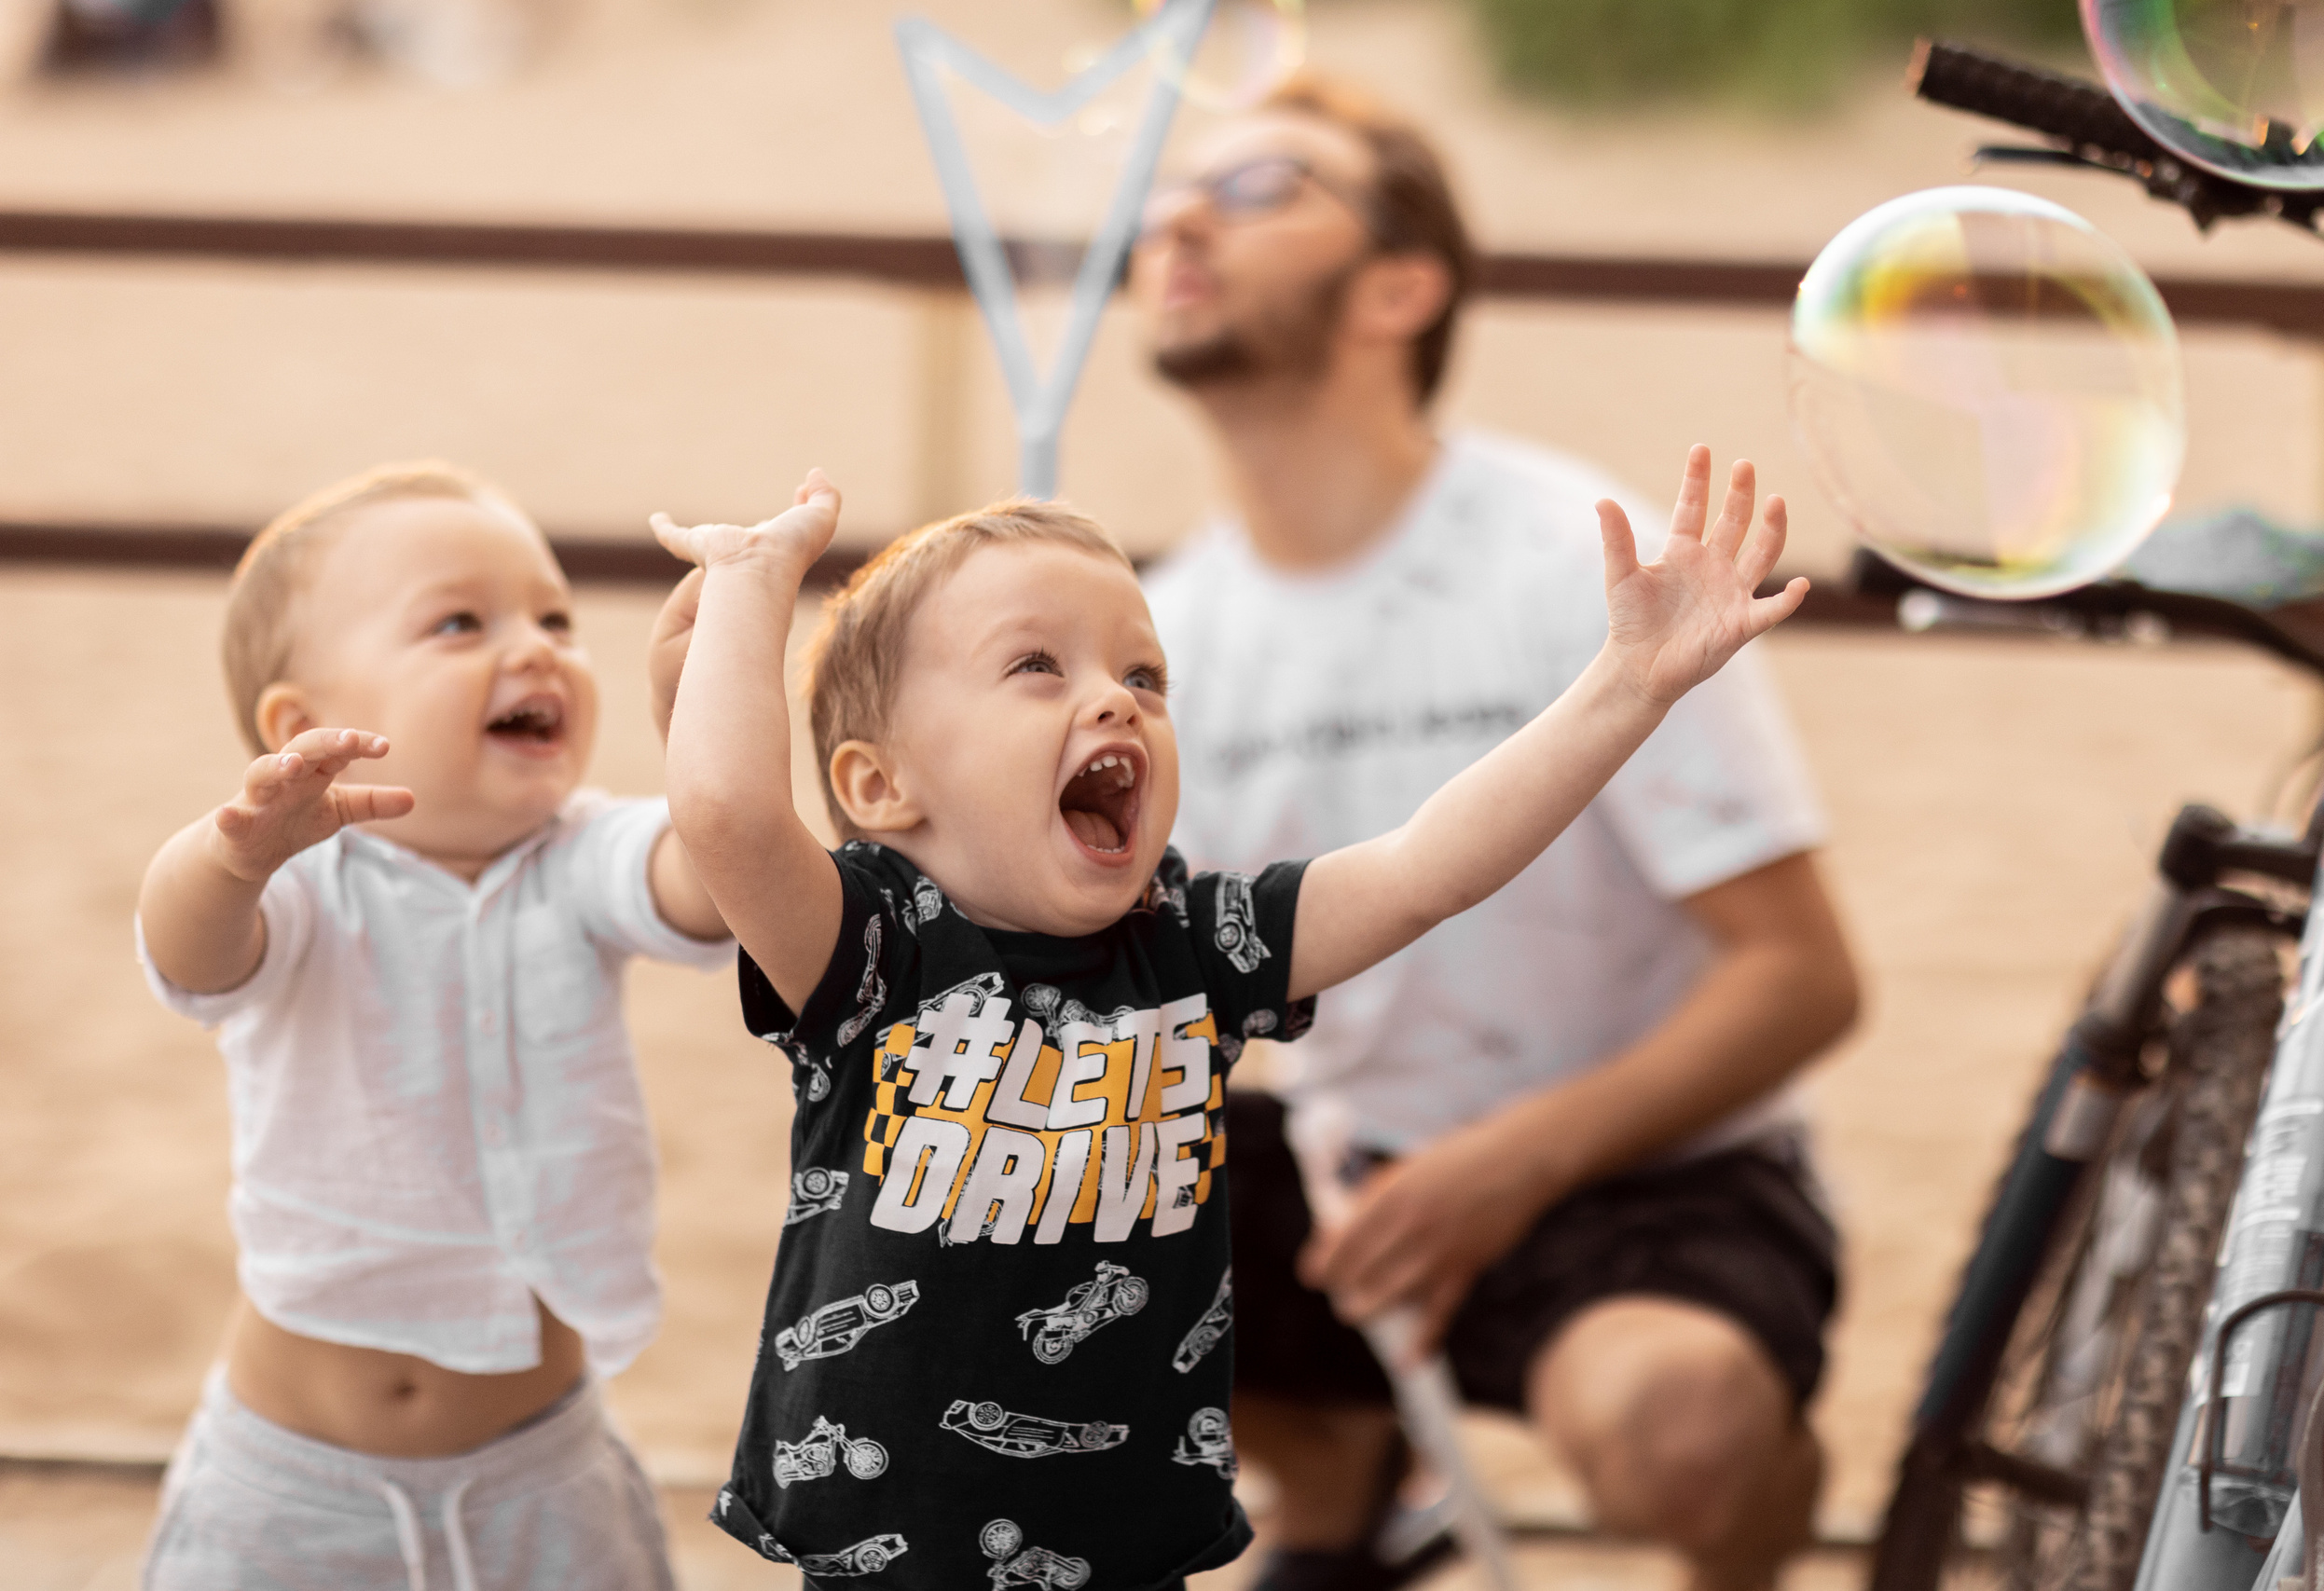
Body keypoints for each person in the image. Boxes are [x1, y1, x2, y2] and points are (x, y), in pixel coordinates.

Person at [648, 444, 1801, 1588]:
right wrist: (752, 583)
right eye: (1037, 667)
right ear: (879, 788)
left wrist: (1629, 682)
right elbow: (727, 813)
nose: (1114, 698)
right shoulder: (868, 952)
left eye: (1144, 678)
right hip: (892, 1552)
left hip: (1132, 1547)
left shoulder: (1200, 946)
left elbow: (1427, 870)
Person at [1132, 75, 1863, 1591]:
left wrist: (1513, 1163)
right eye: (1173, 190)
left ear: (1403, 286)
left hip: (1645, 1170)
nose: (1181, 214)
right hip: (1360, 1175)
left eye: (1264, 184)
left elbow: (1803, 977)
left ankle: (1755, 1540)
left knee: (1681, 1430)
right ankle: (1339, 1488)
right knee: (1022, 1222)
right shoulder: (1168, 625)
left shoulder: (1563, 554)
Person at [134, 461, 734, 1590]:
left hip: (542, 1479)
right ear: (305, 725)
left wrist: (696, 725)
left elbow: (711, 882)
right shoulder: (302, 885)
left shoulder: (585, 858)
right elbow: (188, 952)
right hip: (289, 1493)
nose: (536, 646)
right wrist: (230, 854)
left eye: (555, 615)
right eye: (460, 622)